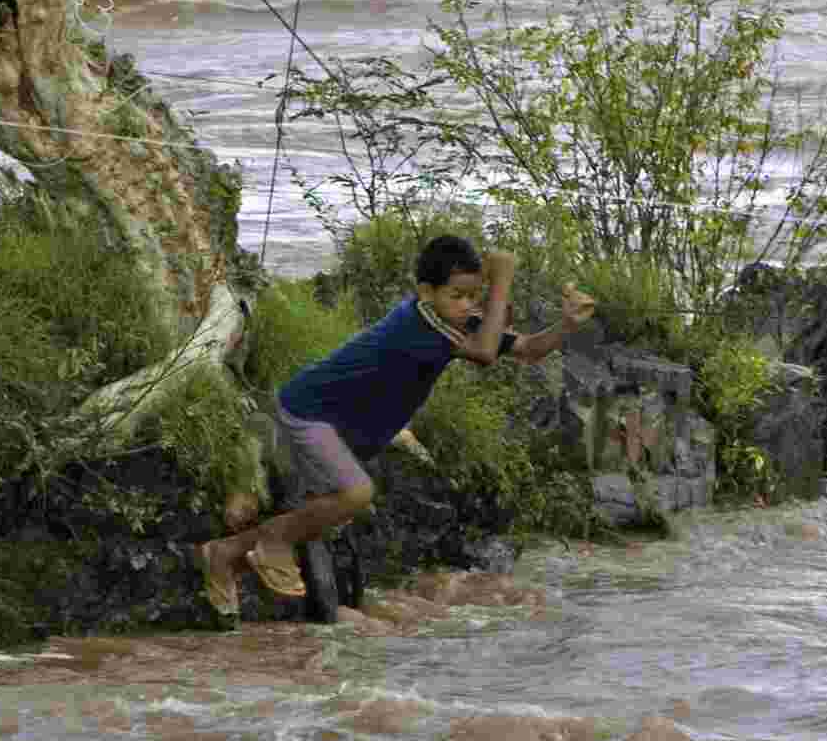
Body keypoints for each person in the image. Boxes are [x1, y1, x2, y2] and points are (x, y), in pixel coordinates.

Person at [197, 234, 596, 617]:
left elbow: (527, 349)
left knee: (327, 510)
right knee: (356, 493)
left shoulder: (450, 319)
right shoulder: (418, 324)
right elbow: (486, 352)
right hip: (310, 410)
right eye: (456, 295)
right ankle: (270, 541)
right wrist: (502, 279)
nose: (466, 305)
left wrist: (567, 324)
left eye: (473, 295)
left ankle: (225, 554)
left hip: (341, 426)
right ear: (426, 291)